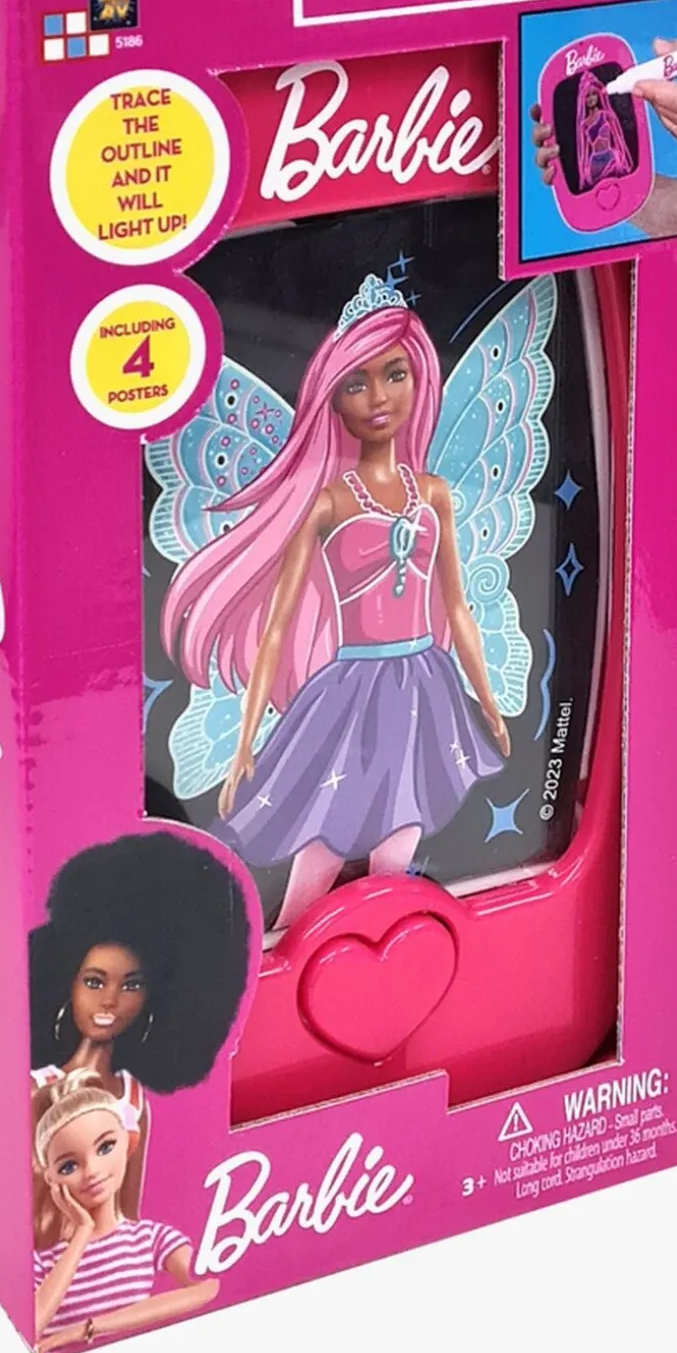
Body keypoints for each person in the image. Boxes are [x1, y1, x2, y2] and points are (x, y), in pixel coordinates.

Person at [161, 276, 511, 929]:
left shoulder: (434, 493)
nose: (378, 397)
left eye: (395, 375)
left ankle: (387, 943)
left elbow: (457, 605)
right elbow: (277, 628)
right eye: (356, 383)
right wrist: (245, 743)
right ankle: (281, 950)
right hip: (351, 690)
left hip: (424, 684)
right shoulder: (326, 504)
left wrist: (486, 699)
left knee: (400, 837)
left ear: (420, 380)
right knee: (323, 842)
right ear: (333, 400)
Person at [29, 832, 250, 1245]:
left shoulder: (132, 1099)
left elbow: (128, 1214)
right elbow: (27, 1209)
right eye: (94, 981)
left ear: (154, 999)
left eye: (131, 986)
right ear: (66, 982)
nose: (109, 1000)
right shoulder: (38, 1088)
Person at [33, 1070, 219, 1353]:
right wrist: (82, 1231)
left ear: (129, 1142)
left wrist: (88, 1329)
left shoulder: (148, 1238)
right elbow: (32, 1325)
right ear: (52, 1179)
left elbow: (208, 1286)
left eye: (105, 1147)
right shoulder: (43, 1263)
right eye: (68, 1166)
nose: (92, 1171)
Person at [531, 35, 677, 237]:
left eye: (594, 94)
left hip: (610, 155)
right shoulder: (584, 124)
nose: (592, 98)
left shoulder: (607, 116)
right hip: (595, 162)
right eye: (587, 95)